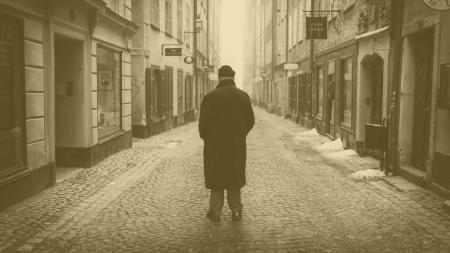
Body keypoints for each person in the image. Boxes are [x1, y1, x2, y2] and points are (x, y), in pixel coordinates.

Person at [199, 65, 255, 222]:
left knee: (217, 179)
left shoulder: (210, 97)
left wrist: (209, 139)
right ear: (233, 78)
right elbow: (250, 121)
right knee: (234, 178)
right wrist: (240, 135)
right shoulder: (243, 96)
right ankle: (236, 210)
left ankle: (215, 212)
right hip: (235, 146)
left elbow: (203, 126)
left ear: (219, 78)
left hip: (215, 147)